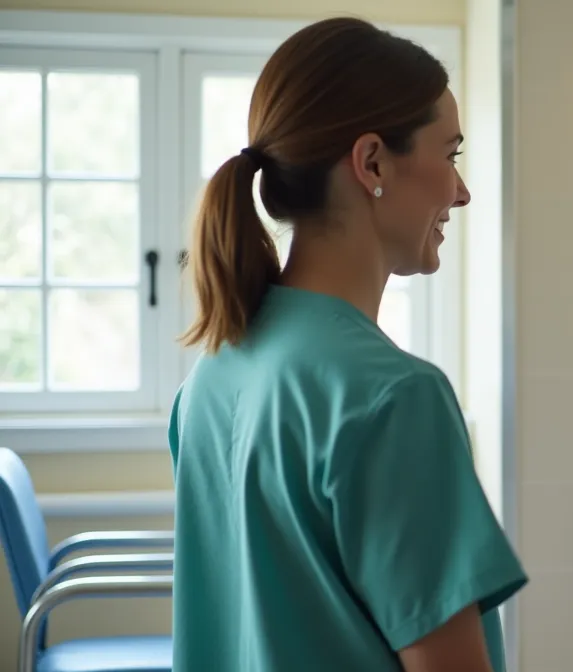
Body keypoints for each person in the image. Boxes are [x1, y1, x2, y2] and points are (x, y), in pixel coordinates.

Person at [168, 17, 526, 672]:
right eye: (450, 155)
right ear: (371, 163)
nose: (463, 190)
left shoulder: (215, 374)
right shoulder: (394, 398)